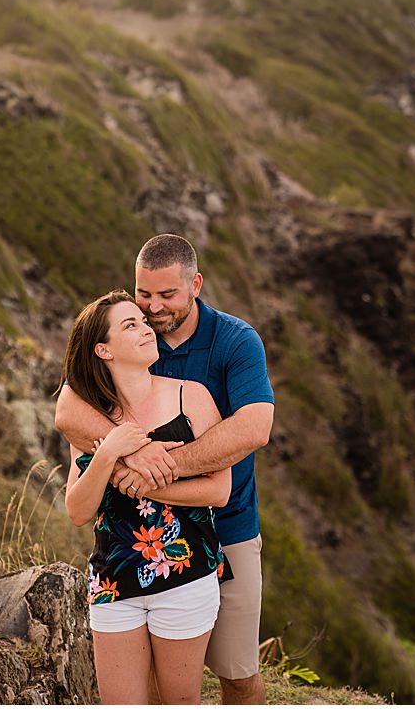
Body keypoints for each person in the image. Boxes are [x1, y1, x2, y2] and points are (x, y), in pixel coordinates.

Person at [55, 234, 275, 704]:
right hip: (125, 560)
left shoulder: (234, 341)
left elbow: (255, 427)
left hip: (227, 529)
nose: (153, 309)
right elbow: (67, 410)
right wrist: (127, 454)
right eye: (143, 295)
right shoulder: (128, 338)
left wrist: (158, 469)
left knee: (236, 671)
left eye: (167, 296)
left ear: (195, 285)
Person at [62, 290, 230, 704]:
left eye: (142, 320)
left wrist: (147, 482)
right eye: (129, 325)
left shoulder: (191, 396)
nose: (145, 329)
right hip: (112, 580)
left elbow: (218, 490)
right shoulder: (92, 418)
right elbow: (78, 510)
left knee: (180, 702)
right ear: (103, 349)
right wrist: (109, 451)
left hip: (186, 576)